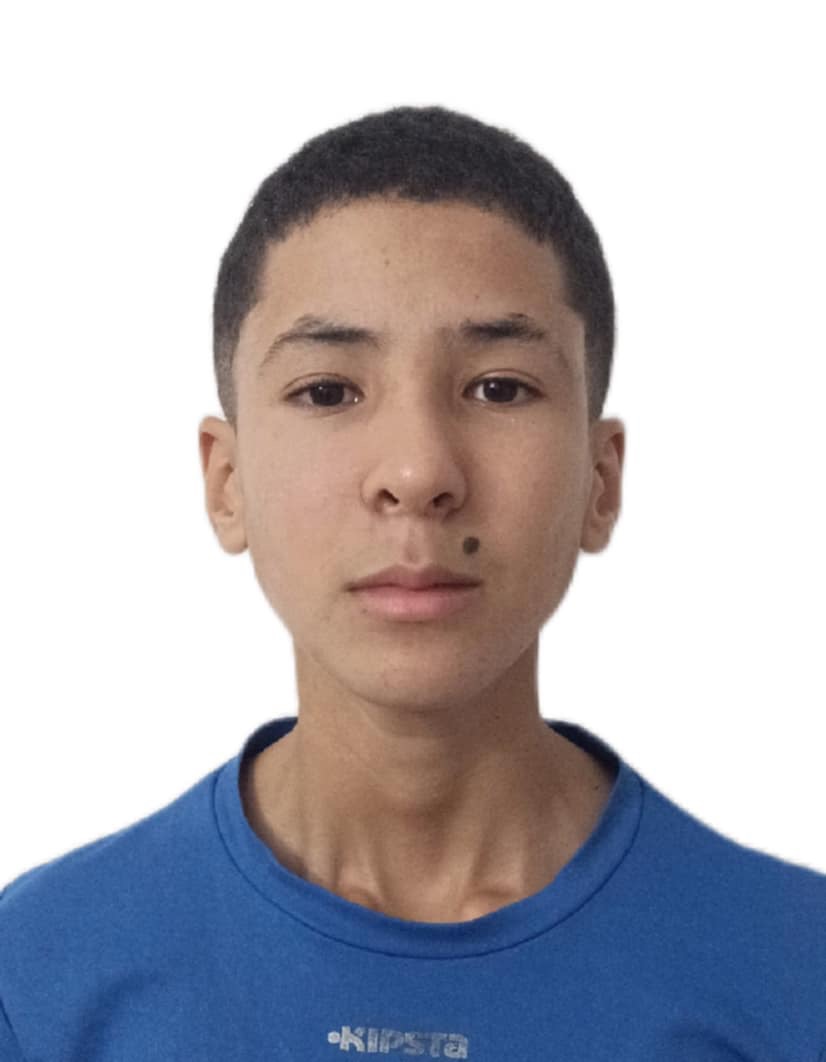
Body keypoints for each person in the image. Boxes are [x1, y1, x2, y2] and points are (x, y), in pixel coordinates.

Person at [1, 104, 824, 1061]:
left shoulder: (796, 976)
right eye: (328, 391)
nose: (418, 470)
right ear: (226, 483)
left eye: (499, 387)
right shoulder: (39, 979)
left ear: (601, 482)